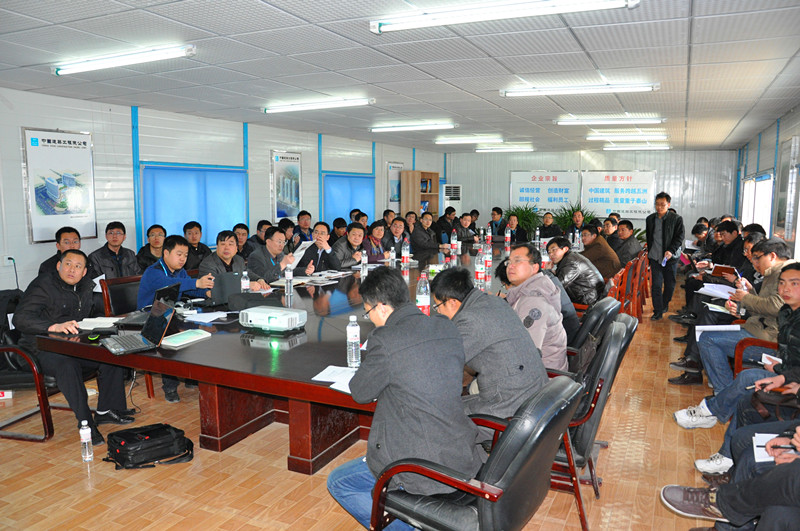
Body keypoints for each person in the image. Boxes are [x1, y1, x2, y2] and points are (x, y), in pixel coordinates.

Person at [326, 267, 485, 530]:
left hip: (420, 464)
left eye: (368, 312)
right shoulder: (446, 326)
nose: (370, 318)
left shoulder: (386, 339)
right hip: (461, 450)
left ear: (381, 308)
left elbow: (360, 392)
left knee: (340, 482)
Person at [14, 249, 132, 445]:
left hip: (71, 345)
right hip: (38, 348)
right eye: (68, 264)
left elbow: (88, 314)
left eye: (78, 266)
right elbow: (20, 318)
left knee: (110, 353)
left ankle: (106, 410)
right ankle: (86, 423)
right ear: (58, 265)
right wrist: (52, 326)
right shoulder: (43, 285)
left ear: (84, 272)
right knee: (67, 365)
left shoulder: (86, 285)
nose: (72, 270)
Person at [430, 267, 548, 417]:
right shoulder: (494, 301)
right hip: (534, 397)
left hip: (511, 408)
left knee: (436, 415)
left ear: (452, 302)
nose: (438, 312)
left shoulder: (470, 320)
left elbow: (439, 365)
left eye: (437, 306)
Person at [505, 244, 568, 371]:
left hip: (544, 377)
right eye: (509, 262)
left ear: (535, 268)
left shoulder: (534, 302)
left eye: (517, 261)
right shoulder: (537, 288)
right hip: (546, 369)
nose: (510, 266)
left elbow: (525, 355)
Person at [137, 235, 214, 310]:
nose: (183, 259)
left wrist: (207, 293)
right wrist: (197, 282)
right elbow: (169, 284)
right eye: (179, 254)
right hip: (148, 314)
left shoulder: (180, 271)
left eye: (185, 255)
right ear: (166, 253)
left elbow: (189, 289)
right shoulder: (152, 272)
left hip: (169, 312)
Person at [645, 192, 684, 320]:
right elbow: (650, 237)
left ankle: (664, 303)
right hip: (655, 257)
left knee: (670, 284)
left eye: (662, 204)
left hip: (670, 258)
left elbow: (680, 237)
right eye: (657, 204)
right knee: (656, 285)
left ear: (668, 204)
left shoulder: (676, 219)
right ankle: (657, 311)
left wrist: (671, 250)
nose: (659, 207)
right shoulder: (650, 219)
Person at [198, 230, 269, 291]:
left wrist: (259, 279)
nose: (226, 248)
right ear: (217, 247)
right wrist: (245, 284)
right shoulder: (207, 264)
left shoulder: (239, 260)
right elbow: (215, 285)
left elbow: (247, 273)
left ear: (236, 248)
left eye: (230, 244)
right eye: (223, 244)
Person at [546, 236, 605, 306]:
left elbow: (558, 286)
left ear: (565, 249)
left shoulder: (571, 262)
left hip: (588, 301)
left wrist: (548, 271)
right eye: (549, 252)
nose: (551, 255)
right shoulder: (570, 257)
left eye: (553, 250)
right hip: (591, 296)